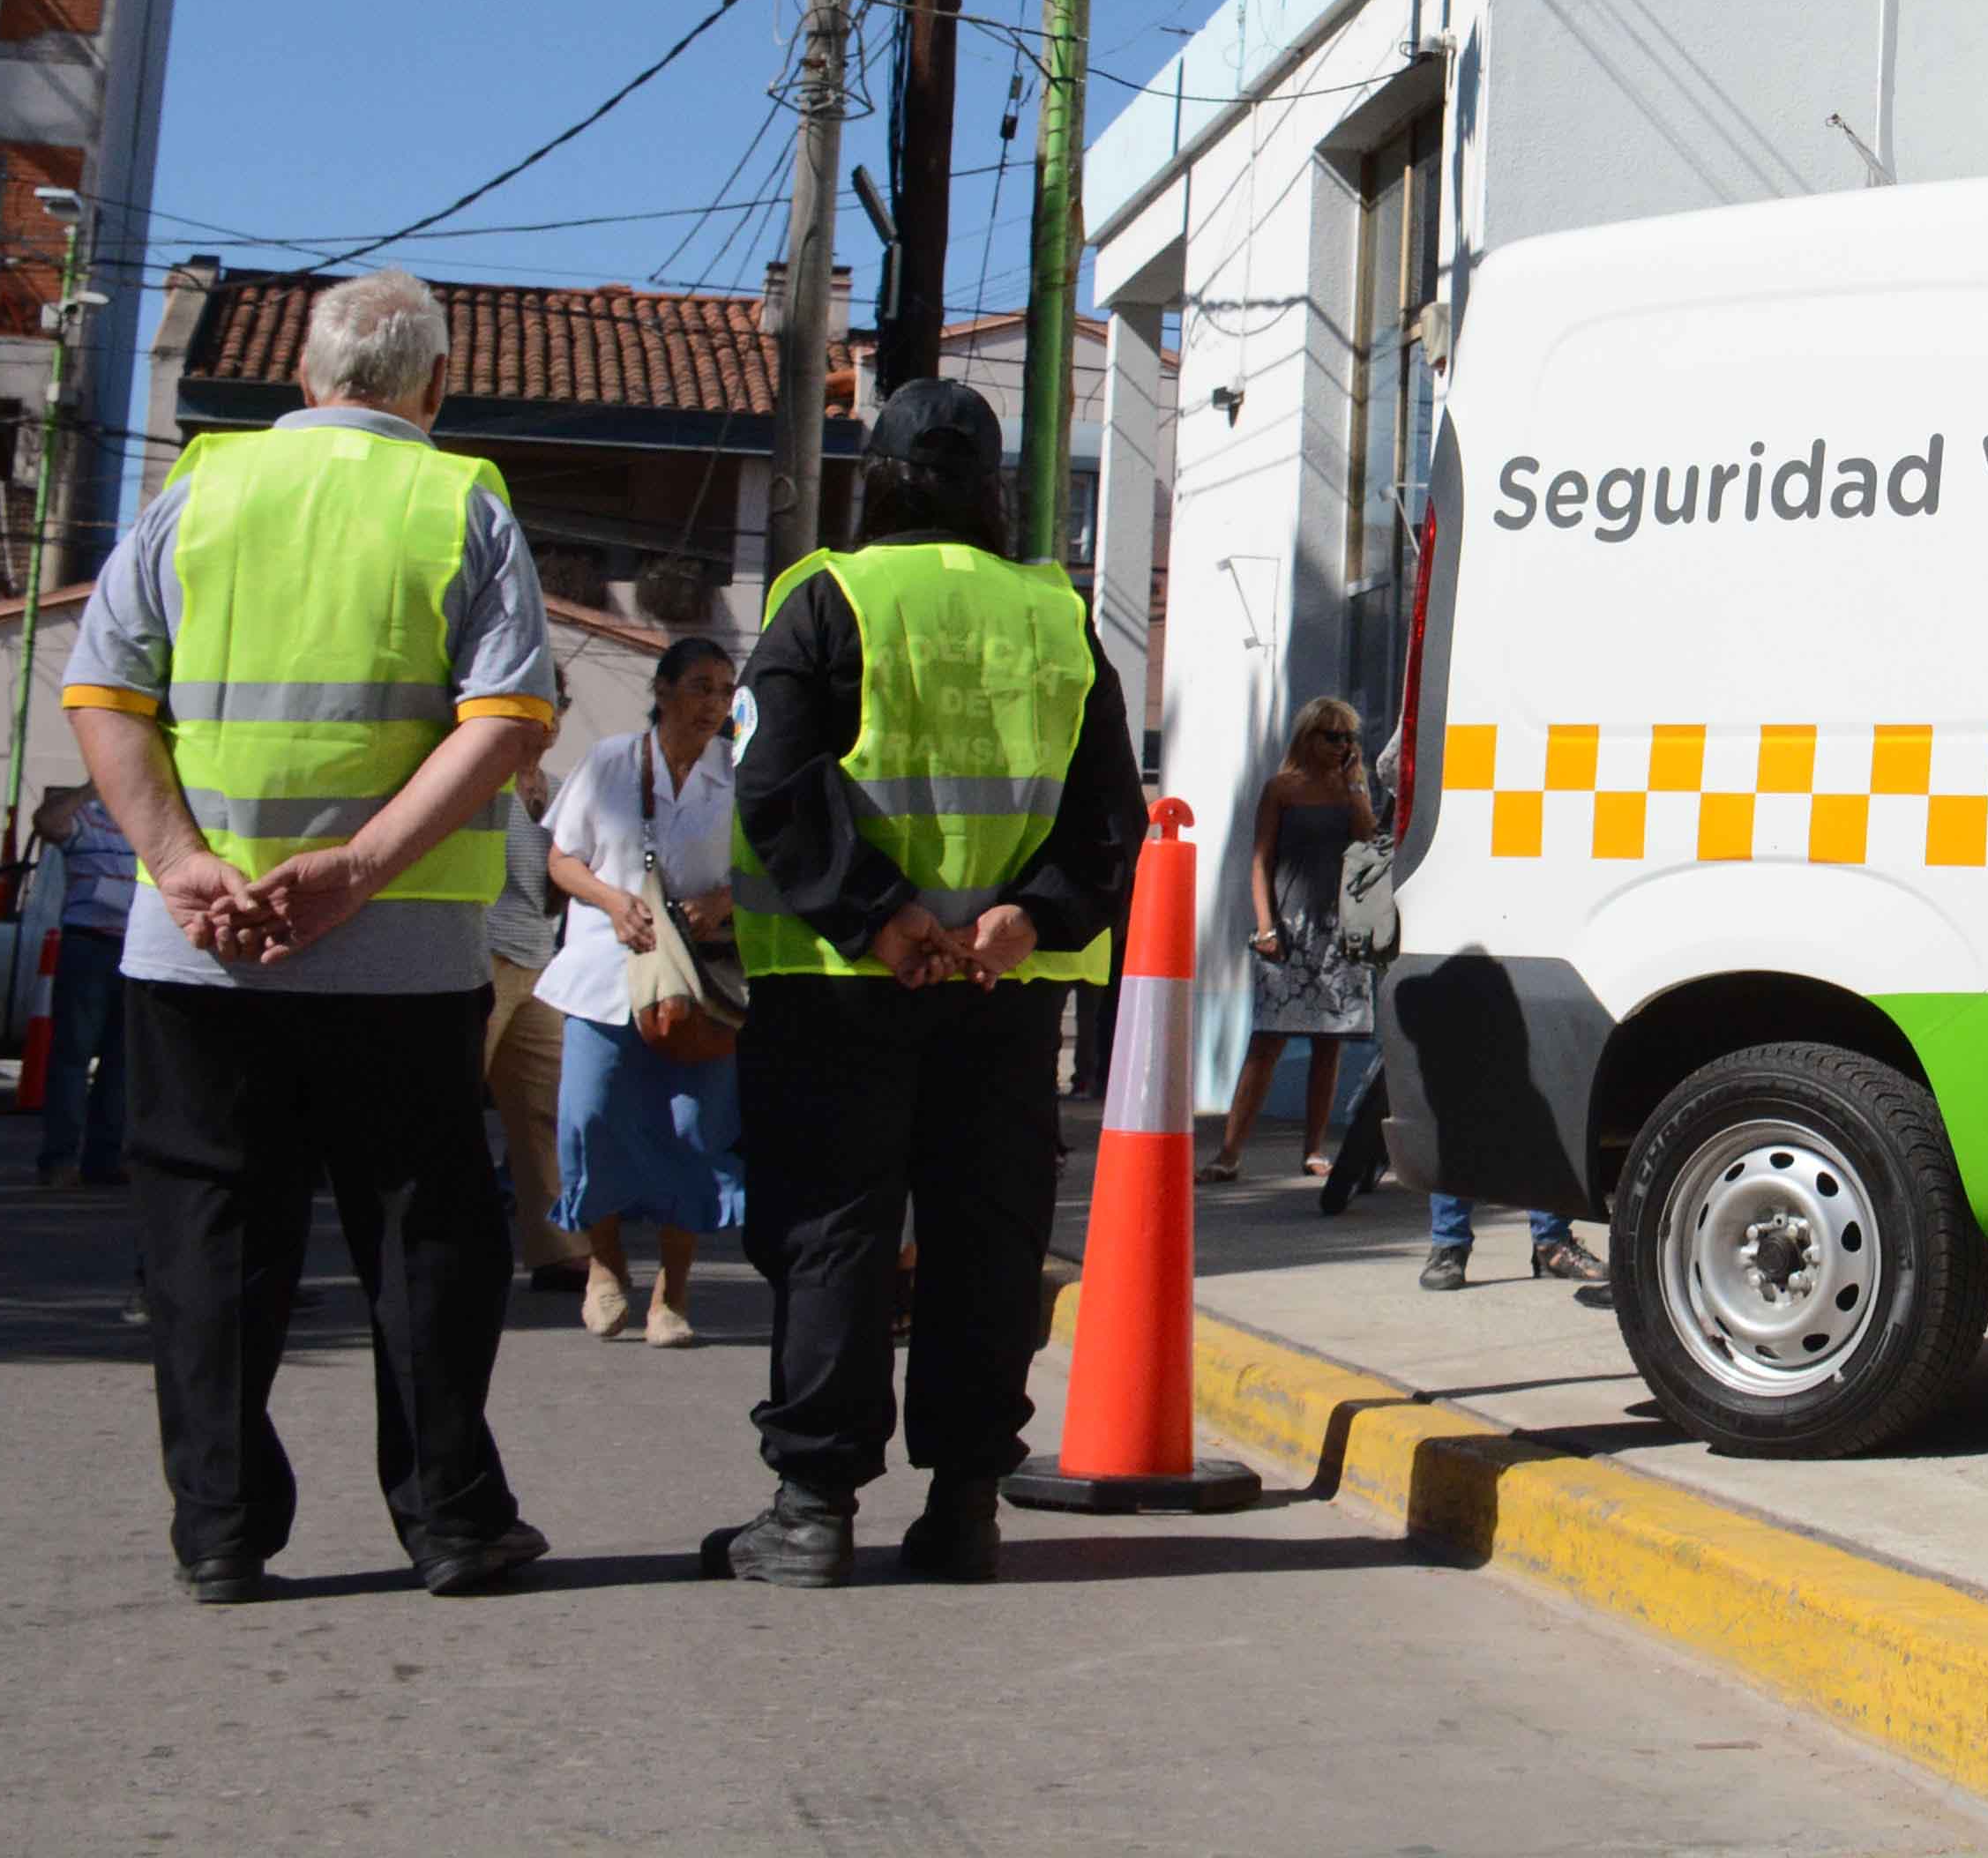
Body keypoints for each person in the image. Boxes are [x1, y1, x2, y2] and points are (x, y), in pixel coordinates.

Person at [57, 268, 557, 1605]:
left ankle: (220, 1532)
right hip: (398, 958)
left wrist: (178, 860)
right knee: (422, 1234)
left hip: (199, 950)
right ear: (435, 390)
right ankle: (451, 1520)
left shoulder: (200, 492)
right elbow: (506, 721)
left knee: (211, 1236)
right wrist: (358, 871)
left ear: (305, 381)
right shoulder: (461, 500)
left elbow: (103, 694)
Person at [704, 380, 1136, 1588]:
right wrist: (1019, 920)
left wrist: (880, 918)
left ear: (877, 478)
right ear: (994, 493)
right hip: (1002, 993)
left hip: (842, 982)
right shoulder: (1057, 615)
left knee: (836, 1224)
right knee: (985, 1237)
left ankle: (810, 1509)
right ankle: (965, 1508)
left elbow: (776, 787)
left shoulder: (824, 599)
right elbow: (1110, 815)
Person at [543, 633, 746, 1342]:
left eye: (725, 691)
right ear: (661, 692)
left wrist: (723, 900)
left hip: (697, 986)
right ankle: (603, 1268)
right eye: (700, 687)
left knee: (692, 1132)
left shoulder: (738, 776)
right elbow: (561, 858)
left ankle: (673, 1294)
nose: (714, 704)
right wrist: (608, 899)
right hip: (605, 972)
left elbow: (772, 872)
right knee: (589, 1118)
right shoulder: (609, 764)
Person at [1204, 700, 1372, 1183]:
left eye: (1347, 738)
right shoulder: (1282, 789)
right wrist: (1265, 926)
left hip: (1338, 931)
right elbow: (1260, 858)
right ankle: (1229, 1153)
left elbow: (1367, 841)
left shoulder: (1350, 790)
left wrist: (1357, 784)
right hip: (1288, 927)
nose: (1341, 746)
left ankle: (1315, 1150)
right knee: (1267, 1042)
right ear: (1307, 737)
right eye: (1332, 736)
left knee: (1329, 1043)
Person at [475, 760, 586, 1296]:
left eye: (553, 709)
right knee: (450, 1111)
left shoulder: (560, 789)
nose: (544, 722)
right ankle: (447, 1247)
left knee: (547, 1108)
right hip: (480, 953)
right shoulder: (479, 781)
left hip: (540, 960)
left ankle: (558, 1251)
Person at [33, 785, 136, 1187]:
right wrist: (94, 784)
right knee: (73, 1056)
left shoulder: (142, 824)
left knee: (122, 1061)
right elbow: (46, 823)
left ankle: (104, 1158)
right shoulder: (88, 819)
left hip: (133, 949)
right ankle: (58, 1158)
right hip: (88, 945)